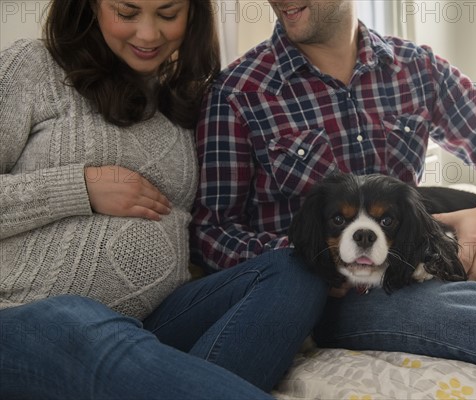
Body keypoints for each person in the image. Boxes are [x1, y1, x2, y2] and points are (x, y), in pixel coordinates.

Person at [190, 0, 476, 387]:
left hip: (411, 257)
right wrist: (312, 258)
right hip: (343, 297)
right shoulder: (238, 93)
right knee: (447, 308)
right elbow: (212, 232)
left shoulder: (414, 66)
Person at [0, 1, 328, 398]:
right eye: (127, 13)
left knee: (296, 269)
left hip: (149, 327)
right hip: (24, 318)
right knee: (78, 318)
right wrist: (80, 187)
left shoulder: (187, 103)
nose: (148, 34)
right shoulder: (35, 66)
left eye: (168, 14)